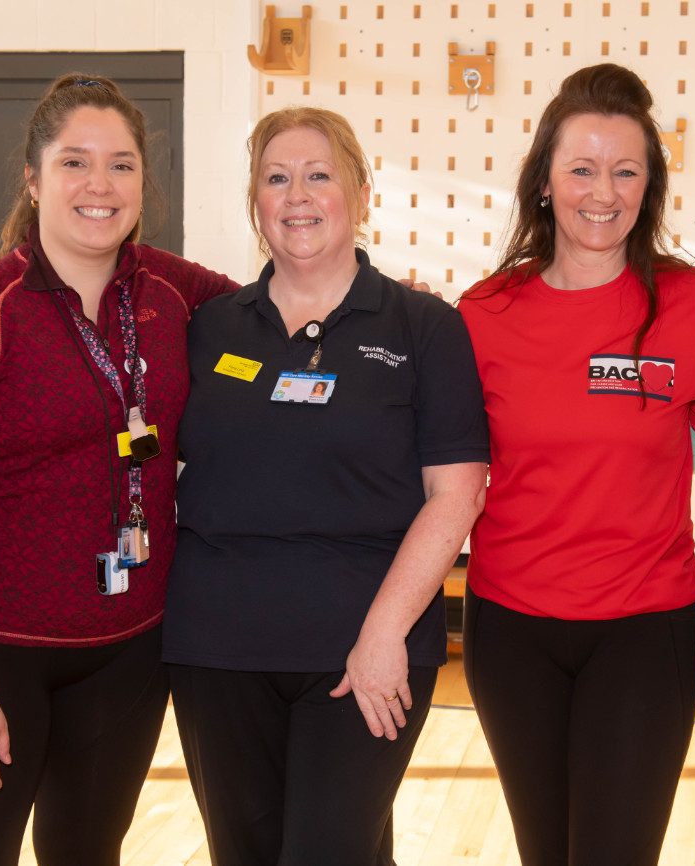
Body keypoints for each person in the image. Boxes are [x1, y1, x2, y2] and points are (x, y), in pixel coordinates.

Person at [0, 73, 237, 865]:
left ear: (142, 181)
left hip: (126, 657)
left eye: (121, 164)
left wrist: (388, 317)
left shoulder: (176, 292)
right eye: (75, 162)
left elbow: (278, 315)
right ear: (33, 176)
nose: (100, 185)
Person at [161, 106, 489, 866]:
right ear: (255, 201)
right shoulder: (210, 327)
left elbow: (457, 493)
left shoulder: (423, 326)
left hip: (365, 652)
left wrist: (382, 639)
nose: (297, 195)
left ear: (362, 193)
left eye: (319, 175)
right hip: (217, 651)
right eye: (276, 179)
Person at [457, 64, 695, 865]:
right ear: (545, 181)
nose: (602, 191)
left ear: (648, 186)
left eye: (625, 171)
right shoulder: (483, 314)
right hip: (510, 628)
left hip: (642, 631)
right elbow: (442, 464)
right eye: (581, 169)